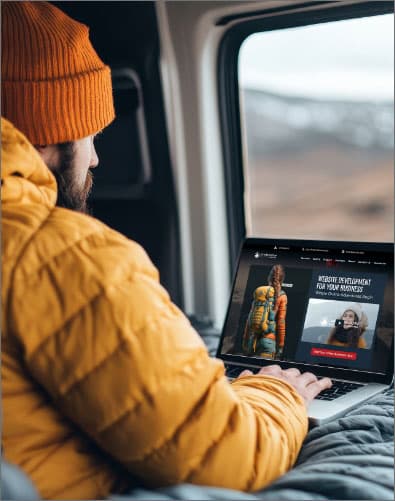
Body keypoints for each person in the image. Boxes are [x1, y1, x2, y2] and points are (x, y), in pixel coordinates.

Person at [1, 2, 332, 500]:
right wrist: (277, 389)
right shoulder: (62, 255)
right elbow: (225, 459)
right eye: (91, 133)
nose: (95, 156)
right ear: (50, 129)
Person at [243, 265, 287, 359]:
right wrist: (280, 346)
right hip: (268, 342)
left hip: (253, 341)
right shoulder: (282, 296)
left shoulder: (260, 293)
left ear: (269, 277)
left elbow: (249, 319)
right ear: (282, 280)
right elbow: (281, 322)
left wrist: (246, 341)